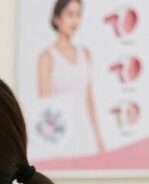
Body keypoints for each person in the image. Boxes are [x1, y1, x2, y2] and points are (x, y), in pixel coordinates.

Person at [37, 0, 105, 155]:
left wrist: (99, 138)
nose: (75, 20)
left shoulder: (85, 54)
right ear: (57, 19)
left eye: (78, 15)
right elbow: (45, 106)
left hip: (86, 134)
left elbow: (89, 99)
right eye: (70, 14)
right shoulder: (47, 57)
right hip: (61, 135)